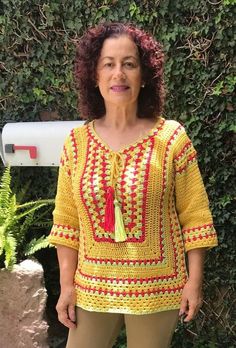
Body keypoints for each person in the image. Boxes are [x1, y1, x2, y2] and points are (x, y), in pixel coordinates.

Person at [48, 22, 218, 348]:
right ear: (94, 76)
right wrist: (66, 285)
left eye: (129, 64)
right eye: (108, 64)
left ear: (144, 75)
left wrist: (194, 281)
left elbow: (196, 216)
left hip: (157, 287)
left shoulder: (171, 139)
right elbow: (66, 223)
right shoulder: (76, 144)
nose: (118, 74)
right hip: (92, 287)